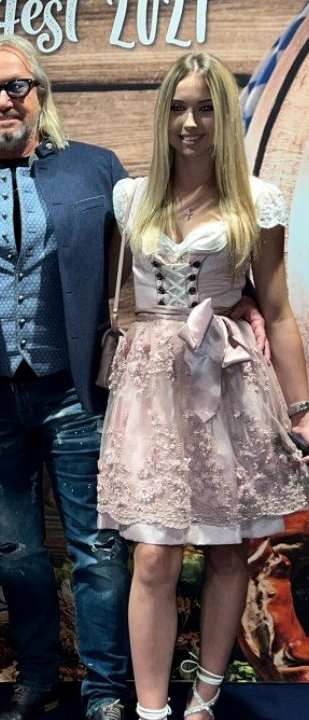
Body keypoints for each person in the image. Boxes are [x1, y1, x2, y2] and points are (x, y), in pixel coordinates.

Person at [0, 34, 132, 720]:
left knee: (97, 548)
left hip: (75, 392)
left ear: (40, 93)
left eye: (17, 86)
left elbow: (147, 256)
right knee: (15, 551)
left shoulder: (97, 169)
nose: (4, 100)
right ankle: (36, 679)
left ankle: (105, 689)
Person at [97, 52, 309, 720]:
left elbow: (277, 309)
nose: (191, 122)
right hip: (150, 385)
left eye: (207, 108)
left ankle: (205, 696)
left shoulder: (255, 199)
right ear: (163, 115)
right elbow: (115, 298)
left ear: (225, 116)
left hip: (227, 377)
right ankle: (151, 709)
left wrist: (302, 408)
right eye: (179, 107)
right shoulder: (131, 197)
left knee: (225, 546)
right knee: (153, 555)